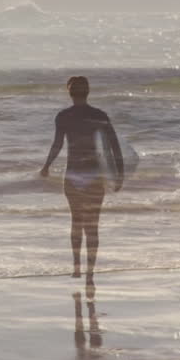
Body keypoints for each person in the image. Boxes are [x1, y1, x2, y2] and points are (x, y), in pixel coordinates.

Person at [40, 75, 123, 284]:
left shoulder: (63, 117)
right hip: (95, 176)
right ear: (88, 92)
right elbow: (114, 146)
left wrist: (46, 166)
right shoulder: (99, 115)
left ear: (69, 92)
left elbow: (57, 144)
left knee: (76, 222)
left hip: (73, 176)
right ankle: (90, 273)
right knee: (92, 226)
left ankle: (77, 268)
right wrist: (119, 174)